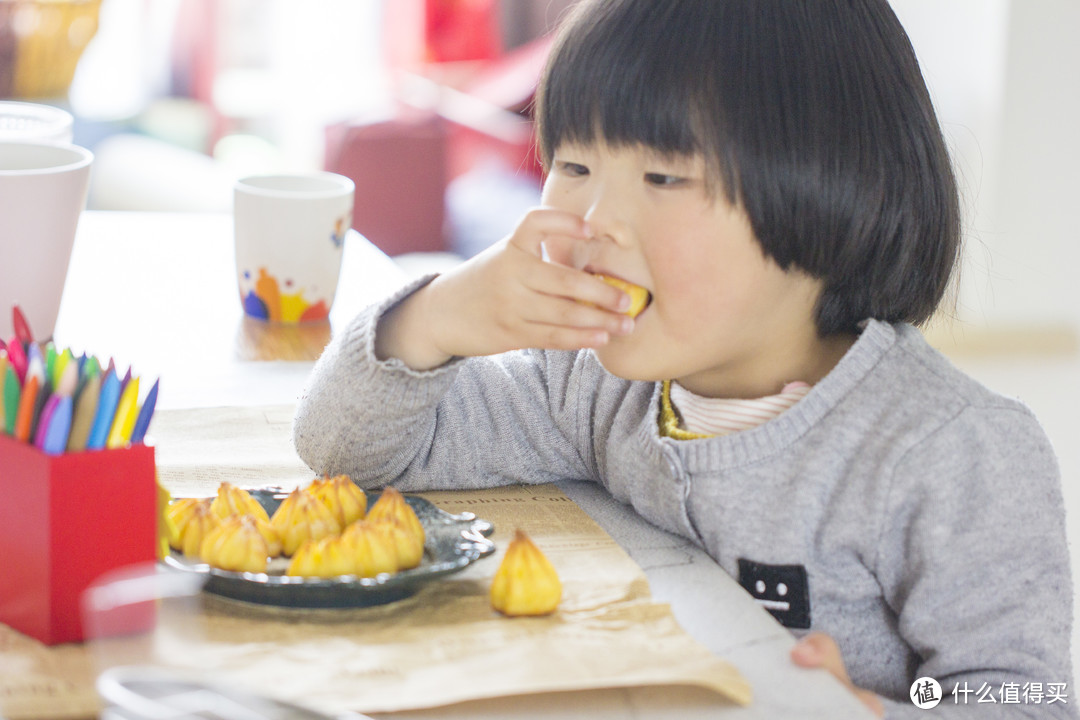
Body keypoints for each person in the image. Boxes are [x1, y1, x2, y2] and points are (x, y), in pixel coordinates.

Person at [294, 1, 1073, 716]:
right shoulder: (592, 386)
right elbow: (353, 453)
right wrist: (435, 319)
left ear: (827, 190)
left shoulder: (951, 454)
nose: (595, 220)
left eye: (663, 175)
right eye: (573, 166)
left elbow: (1029, 695)